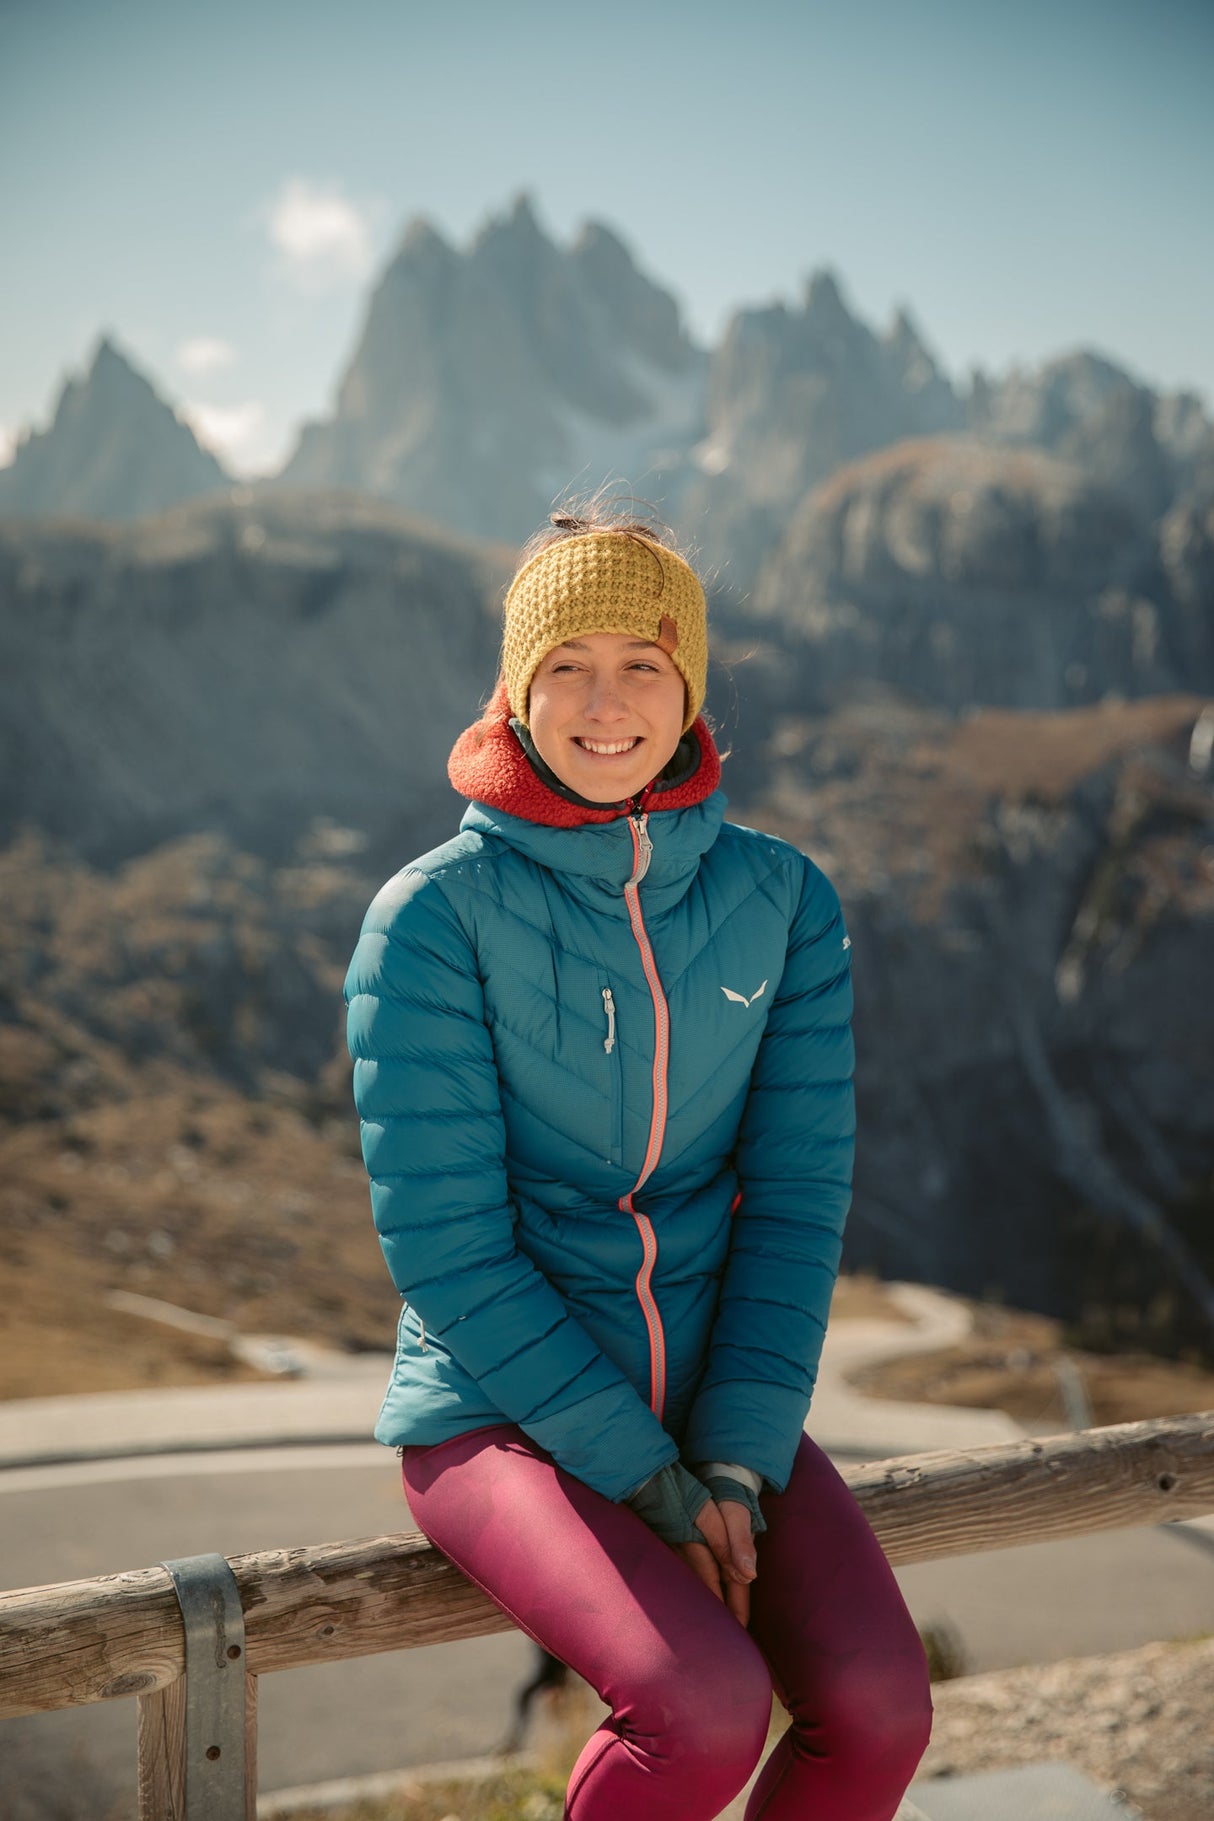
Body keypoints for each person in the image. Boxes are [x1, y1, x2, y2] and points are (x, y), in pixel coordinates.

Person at [344, 509, 932, 1820]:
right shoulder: (431, 918)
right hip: (496, 1417)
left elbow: (793, 1197)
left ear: (691, 693)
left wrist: (726, 1458)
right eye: (566, 664)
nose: (604, 704)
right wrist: (643, 1477)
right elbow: (450, 1252)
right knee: (702, 1710)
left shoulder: (783, 900)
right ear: (514, 686)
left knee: (882, 1709)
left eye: (644, 666)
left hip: (716, 1409)